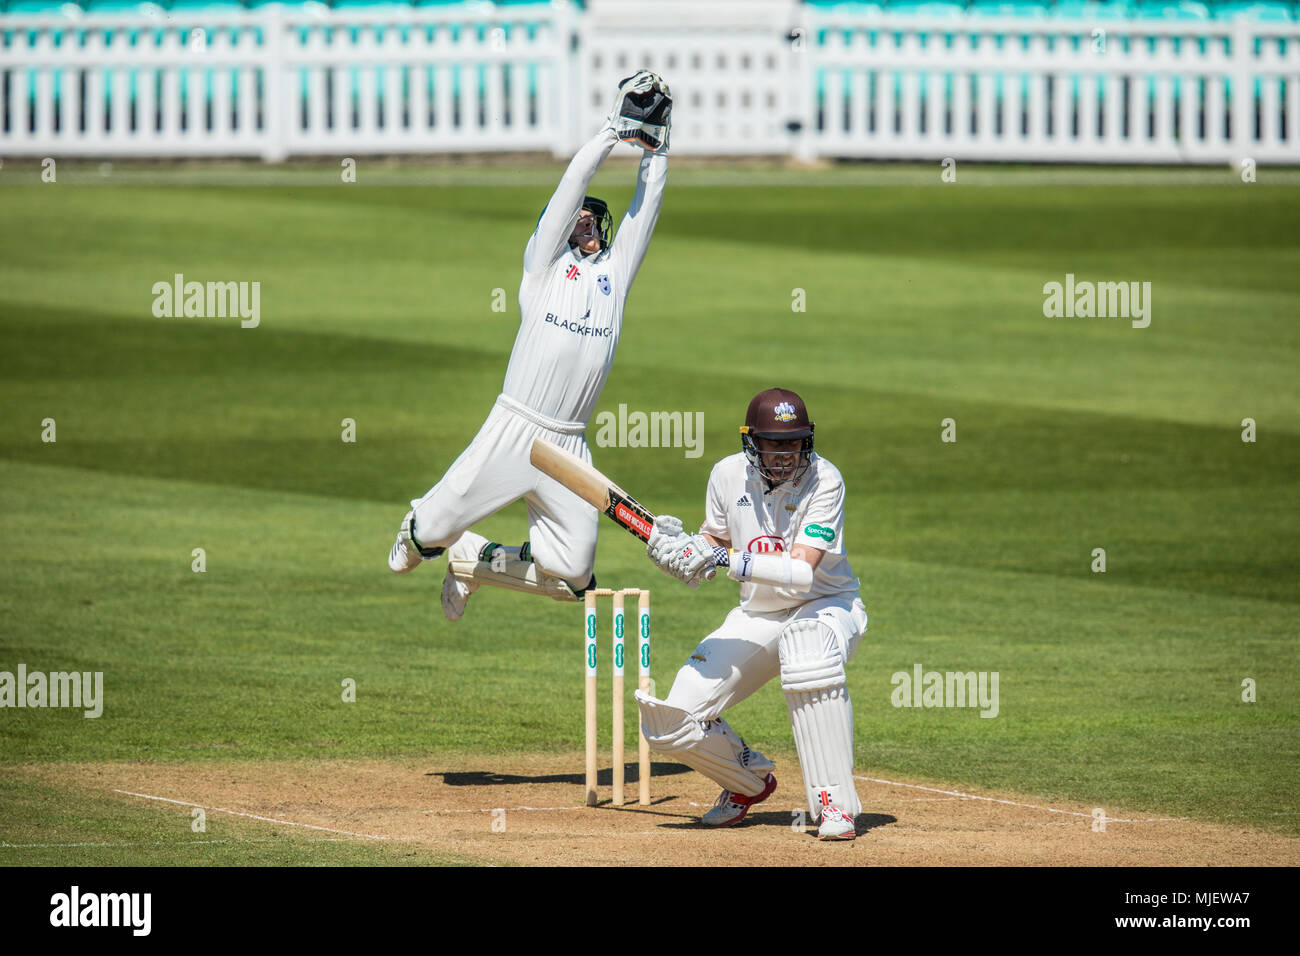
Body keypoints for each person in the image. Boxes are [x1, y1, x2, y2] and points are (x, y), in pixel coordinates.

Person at [386, 72, 672, 621]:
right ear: (562, 228)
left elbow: (647, 206)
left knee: (571, 573)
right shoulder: (542, 269)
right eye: (577, 214)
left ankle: (476, 556)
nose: (585, 216)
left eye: (593, 214)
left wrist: (656, 146)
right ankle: (438, 533)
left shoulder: (615, 274)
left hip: (570, 446)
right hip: (516, 427)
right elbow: (571, 183)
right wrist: (613, 132)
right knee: (425, 539)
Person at [638, 387, 868, 840]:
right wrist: (683, 552)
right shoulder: (726, 475)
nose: (786, 454)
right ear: (752, 441)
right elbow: (715, 541)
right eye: (774, 443)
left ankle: (834, 807)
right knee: (669, 721)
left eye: (795, 442)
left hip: (825, 606)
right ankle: (745, 782)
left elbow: (802, 572)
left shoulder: (826, 480)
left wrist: (725, 560)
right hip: (759, 614)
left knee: (807, 652)